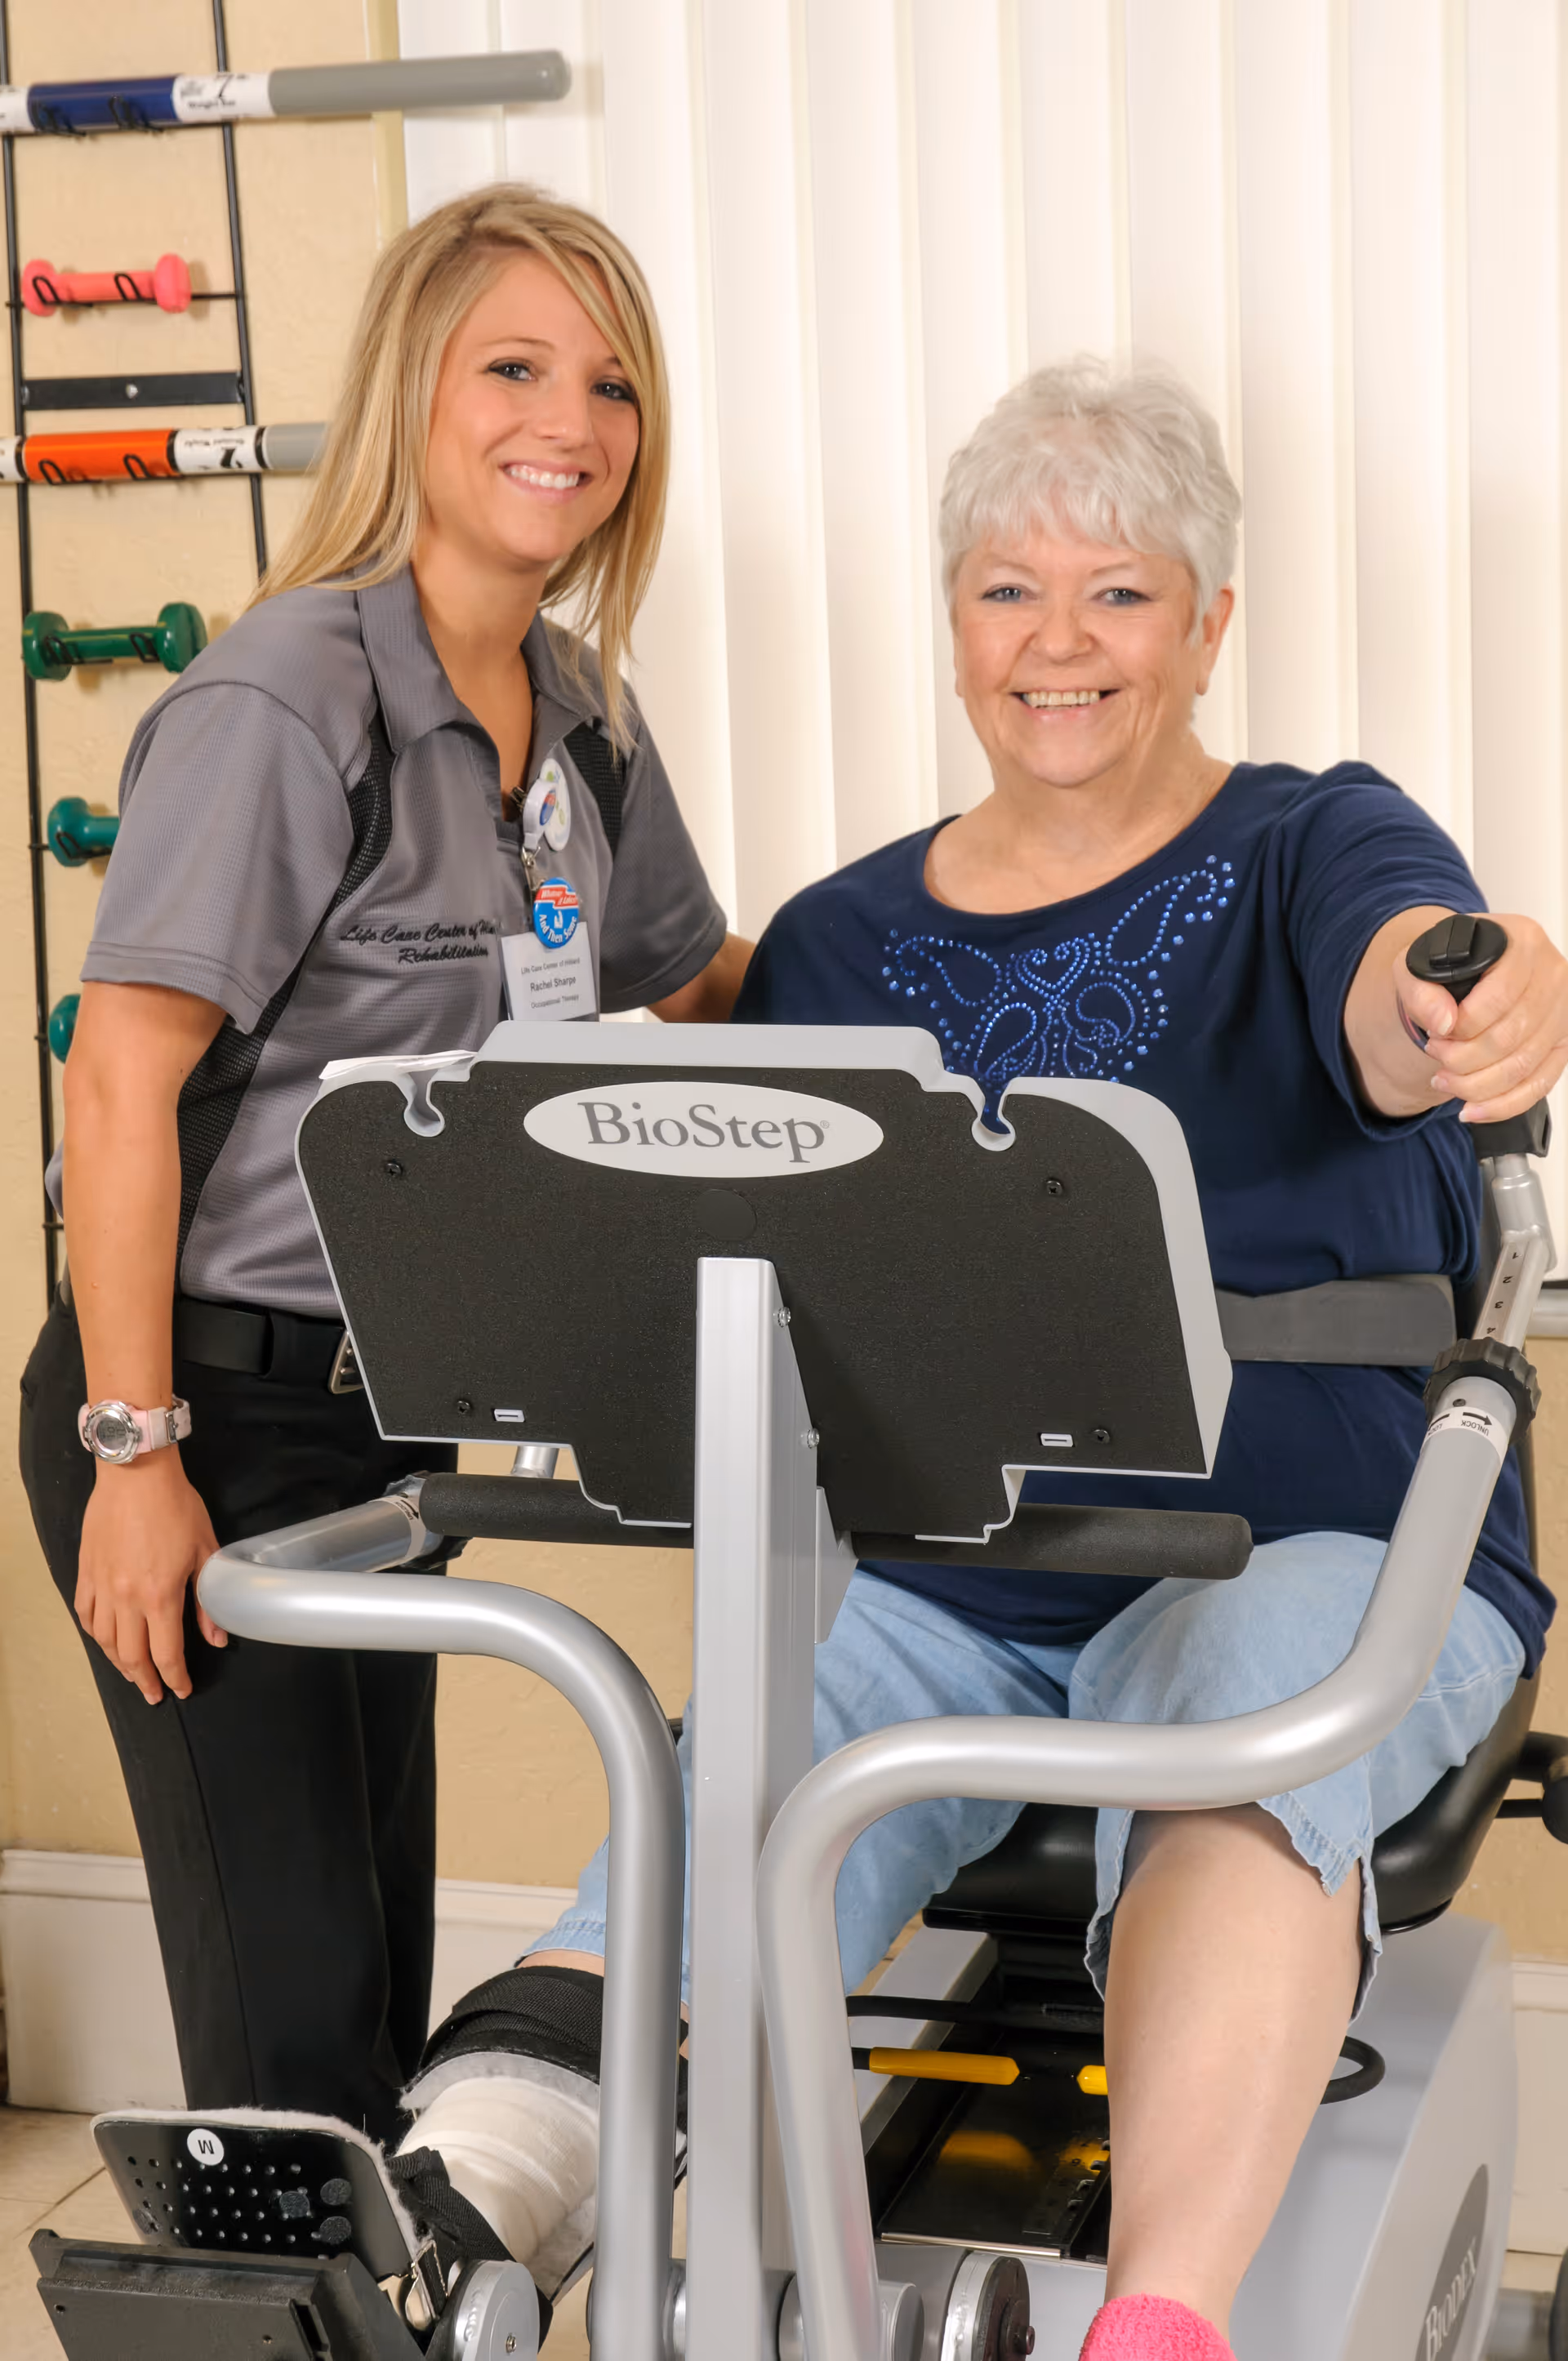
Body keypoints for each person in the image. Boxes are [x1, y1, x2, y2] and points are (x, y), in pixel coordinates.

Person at [393, 359, 1568, 2355]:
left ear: (1208, 624)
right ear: (954, 626)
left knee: (1221, 1738)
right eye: (1010, 591)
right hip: (954, 1573)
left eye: (1119, 592)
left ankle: (1160, 2323)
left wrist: (1479, 990)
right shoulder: (839, 939)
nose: (1060, 643)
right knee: (741, 1773)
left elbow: (1409, 983)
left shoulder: (1310, 844)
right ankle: (454, 2220)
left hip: (1312, 1544)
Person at [18, 183, 749, 2145]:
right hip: (201, 1397)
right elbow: (116, 1083)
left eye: (609, 382)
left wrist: (1004, 954)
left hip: (380, 1425)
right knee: (292, 2041)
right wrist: (136, 1450)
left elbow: (706, 986)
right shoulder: (292, 695)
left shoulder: (579, 715)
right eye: (514, 367)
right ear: (413, 393)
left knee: (373, 1983)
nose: (569, 421)